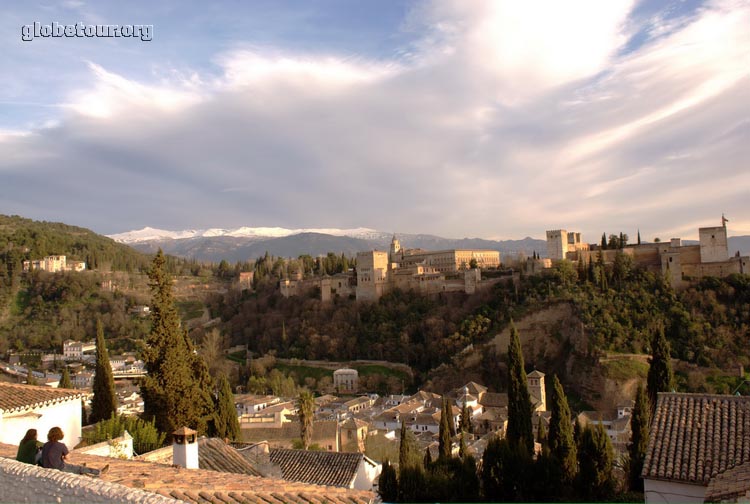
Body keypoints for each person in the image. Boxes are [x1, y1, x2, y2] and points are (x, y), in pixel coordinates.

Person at [41, 427, 108, 476]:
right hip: (59, 468)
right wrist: (62, 456)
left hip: (46, 467)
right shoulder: (61, 445)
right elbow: (68, 457)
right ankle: (98, 472)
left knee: (73, 468)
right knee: (79, 468)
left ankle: (84, 473)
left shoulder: (45, 445)